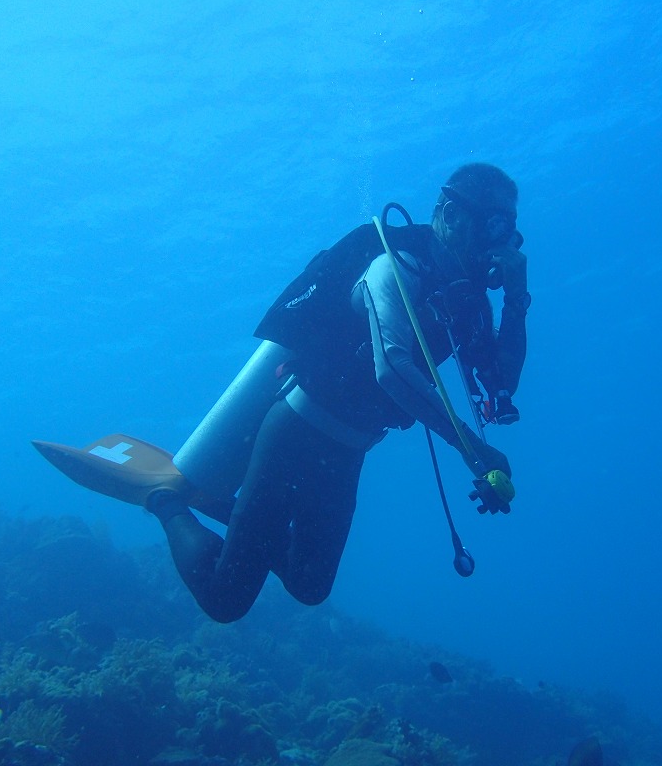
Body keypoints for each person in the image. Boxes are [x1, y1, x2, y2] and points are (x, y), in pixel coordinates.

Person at [145, 163, 529, 623]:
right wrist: (470, 448)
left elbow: (502, 384)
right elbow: (391, 368)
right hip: (295, 433)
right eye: (493, 224)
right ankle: (165, 501)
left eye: (509, 228)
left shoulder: (467, 303)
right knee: (226, 599)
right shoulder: (394, 266)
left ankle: (227, 510)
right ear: (450, 214)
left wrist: (516, 299)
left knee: (309, 586)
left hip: (348, 450)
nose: (501, 242)